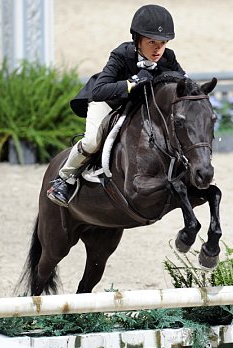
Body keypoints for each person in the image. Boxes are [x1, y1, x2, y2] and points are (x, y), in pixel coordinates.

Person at [47, 4, 186, 207]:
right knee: (92, 142)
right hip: (108, 102)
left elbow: (183, 81)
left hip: (137, 107)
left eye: (163, 42)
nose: (158, 49)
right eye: (152, 42)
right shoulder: (122, 54)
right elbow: (100, 90)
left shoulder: (168, 57)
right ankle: (63, 180)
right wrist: (133, 83)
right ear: (137, 40)